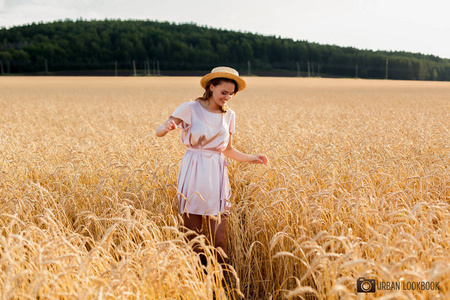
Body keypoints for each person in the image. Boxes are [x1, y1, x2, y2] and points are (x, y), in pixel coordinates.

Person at [155, 66, 268, 265]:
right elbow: (159, 130)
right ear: (211, 86)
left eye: (231, 94)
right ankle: (197, 283)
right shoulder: (190, 108)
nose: (227, 97)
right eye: (223, 92)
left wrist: (252, 158)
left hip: (217, 174)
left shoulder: (229, 115)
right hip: (193, 170)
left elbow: (228, 149)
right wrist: (166, 128)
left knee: (219, 240)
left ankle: (221, 283)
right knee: (193, 238)